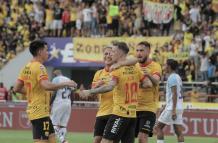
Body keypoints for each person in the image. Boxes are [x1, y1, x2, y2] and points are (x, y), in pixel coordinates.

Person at [80, 42, 152, 143]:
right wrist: (130, 84)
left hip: (120, 113)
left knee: (105, 141)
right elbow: (148, 84)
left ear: (120, 53)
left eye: (113, 51)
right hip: (132, 115)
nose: (111, 54)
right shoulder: (136, 68)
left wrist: (90, 91)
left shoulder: (116, 69)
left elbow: (110, 87)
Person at [13, 40, 77, 143]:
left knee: (51, 138)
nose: (48, 53)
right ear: (39, 52)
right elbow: (46, 85)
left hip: (35, 110)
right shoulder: (40, 67)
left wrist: (33, 92)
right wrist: (66, 83)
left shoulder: (26, 67)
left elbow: (16, 88)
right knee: (43, 140)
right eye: (46, 50)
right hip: (40, 111)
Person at [135, 41, 162, 143]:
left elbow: (156, 82)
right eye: (137, 50)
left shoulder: (155, 66)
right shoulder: (135, 66)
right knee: (128, 138)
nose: (139, 53)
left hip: (148, 108)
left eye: (142, 50)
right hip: (133, 107)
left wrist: (149, 75)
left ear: (148, 51)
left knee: (142, 137)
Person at [155, 59, 184, 143]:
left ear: (169, 66)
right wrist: (165, 105)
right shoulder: (178, 77)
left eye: (165, 65)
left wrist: (173, 110)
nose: (164, 67)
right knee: (179, 132)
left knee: (158, 127)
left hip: (172, 108)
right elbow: (178, 93)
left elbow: (174, 94)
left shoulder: (172, 78)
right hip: (178, 106)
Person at [50, 69, 74, 143]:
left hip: (59, 102)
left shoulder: (56, 79)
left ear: (55, 74)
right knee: (63, 125)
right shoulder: (69, 80)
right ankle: (63, 140)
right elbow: (72, 93)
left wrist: (49, 103)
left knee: (53, 124)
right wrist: (71, 103)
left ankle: (62, 140)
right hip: (68, 102)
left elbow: (54, 91)